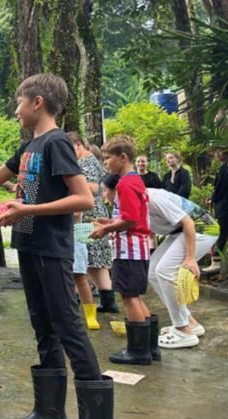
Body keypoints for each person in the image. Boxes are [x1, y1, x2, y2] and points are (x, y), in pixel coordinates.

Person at [0, 73, 112, 418]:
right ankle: (49, 410)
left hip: (52, 248)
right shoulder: (29, 147)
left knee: (68, 326)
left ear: (37, 102)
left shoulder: (56, 143)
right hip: (28, 245)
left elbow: (84, 198)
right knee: (41, 324)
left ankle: (95, 412)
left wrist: (27, 209)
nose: (16, 110)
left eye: (18, 102)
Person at [102, 176, 217, 350]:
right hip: (178, 232)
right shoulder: (130, 202)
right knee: (153, 272)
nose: (103, 195)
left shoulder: (153, 197)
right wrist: (110, 224)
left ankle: (183, 330)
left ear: (117, 190)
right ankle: (189, 323)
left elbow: (188, 222)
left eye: (104, 190)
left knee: (164, 271)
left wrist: (190, 258)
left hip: (201, 229)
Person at [91, 135, 154, 366]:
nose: (105, 163)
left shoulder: (125, 184)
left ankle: (138, 351)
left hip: (129, 248)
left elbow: (129, 219)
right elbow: (130, 217)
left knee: (129, 297)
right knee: (134, 296)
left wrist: (105, 230)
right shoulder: (135, 180)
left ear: (123, 157)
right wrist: (109, 223)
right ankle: (150, 347)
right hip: (137, 246)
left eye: (108, 158)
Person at [67, 131, 114, 327]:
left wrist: (69, 184)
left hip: (88, 214)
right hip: (88, 213)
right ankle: (107, 301)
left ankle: (100, 302)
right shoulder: (88, 161)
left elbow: (94, 188)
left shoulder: (86, 161)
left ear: (78, 145)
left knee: (89, 262)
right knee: (94, 262)